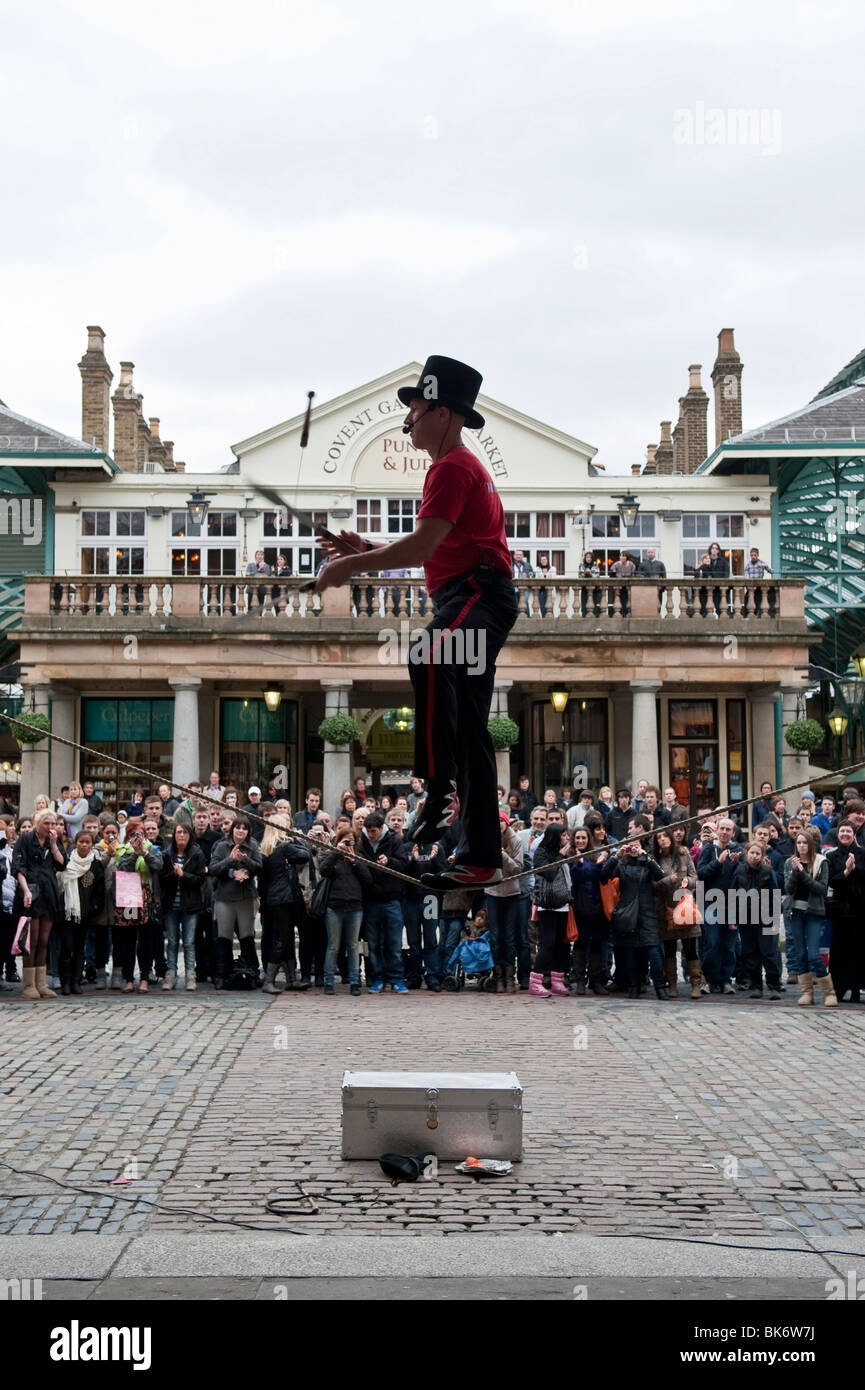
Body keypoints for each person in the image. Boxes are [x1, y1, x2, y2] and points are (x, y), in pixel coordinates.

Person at [318, 356, 518, 890]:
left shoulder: (452, 466)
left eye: (416, 410)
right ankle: (480, 855)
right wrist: (364, 548)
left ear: (444, 414)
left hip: (476, 594)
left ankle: (437, 787)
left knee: (427, 654)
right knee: (474, 729)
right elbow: (433, 545)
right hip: (473, 594)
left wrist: (349, 567)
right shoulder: (456, 468)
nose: (408, 420)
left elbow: (425, 543)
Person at [600, 817, 667, 999]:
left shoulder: (647, 860)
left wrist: (645, 856)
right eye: (630, 844)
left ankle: (660, 987)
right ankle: (634, 986)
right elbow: (604, 876)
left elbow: (660, 875)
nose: (633, 848)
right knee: (630, 953)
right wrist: (617, 856)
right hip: (627, 913)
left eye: (636, 844)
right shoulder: (621, 864)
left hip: (647, 912)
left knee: (653, 950)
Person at [12, 808, 68, 999]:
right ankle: (29, 984)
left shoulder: (54, 841)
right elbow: (18, 867)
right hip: (31, 891)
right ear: (38, 823)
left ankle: (41, 983)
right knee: (32, 939)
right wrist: (25, 890)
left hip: (49, 891)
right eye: (47, 823)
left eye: (53, 824)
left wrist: (53, 845)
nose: (51, 827)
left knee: (44, 940)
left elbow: (62, 864)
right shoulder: (26, 840)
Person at [356, 812, 411, 992]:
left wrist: (389, 861)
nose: (371, 835)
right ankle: (378, 978)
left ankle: (396, 979)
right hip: (371, 900)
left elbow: (404, 864)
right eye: (368, 831)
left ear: (381, 828)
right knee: (374, 943)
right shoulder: (361, 843)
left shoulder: (394, 840)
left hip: (392, 899)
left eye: (374, 831)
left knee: (394, 942)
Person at [258, 815, 313, 994]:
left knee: (286, 938)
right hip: (285, 898)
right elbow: (305, 855)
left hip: (275, 898)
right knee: (282, 939)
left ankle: (291, 979)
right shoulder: (284, 846)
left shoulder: (267, 849)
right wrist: (297, 838)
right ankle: (269, 980)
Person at [317, 826, 372, 995]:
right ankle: (329, 982)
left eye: (351, 840)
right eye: (345, 840)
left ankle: (355, 982)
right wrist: (336, 852)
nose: (349, 843)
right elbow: (323, 870)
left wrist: (354, 860)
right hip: (334, 907)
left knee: (353, 946)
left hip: (355, 908)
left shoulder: (359, 858)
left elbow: (368, 880)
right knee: (333, 946)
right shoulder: (331, 856)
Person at [209, 817, 263, 988]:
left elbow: (259, 867)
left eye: (244, 828)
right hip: (225, 897)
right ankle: (221, 974)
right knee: (223, 937)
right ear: (232, 830)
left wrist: (246, 863)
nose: (240, 831)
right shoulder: (221, 846)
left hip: (246, 897)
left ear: (248, 831)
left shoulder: (253, 845)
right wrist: (231, 863)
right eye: (237, 828)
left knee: (247, 936)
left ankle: (252, 971)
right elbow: (213, 869)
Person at [784, 828, 834, 1006]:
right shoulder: (790, 863)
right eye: (799, 843)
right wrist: (796, 873)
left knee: (813, 954)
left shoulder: (821, 862)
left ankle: (829, 993)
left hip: (813, 912)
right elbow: (789, 890)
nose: (802, 846)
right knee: (800, 953)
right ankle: (807, 993)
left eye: (805, 842)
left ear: (810, 844)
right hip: (795, 912)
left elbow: (821, 889)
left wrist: (803, 873)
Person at [696, 815, 742, 993]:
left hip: (731, 905)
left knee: (729, 945)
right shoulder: (708, 849)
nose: (724, 832)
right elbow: (701, 873)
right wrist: (718, 862)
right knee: (712, 942)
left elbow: (741, 879)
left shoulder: (738, 850)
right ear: (716, 830)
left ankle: (725, 980)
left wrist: (737, 865)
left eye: (728, 829)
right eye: (721, 828)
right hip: (710, 903)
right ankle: (709, 978)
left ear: (732, 833)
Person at [653, 827, 700, 1000]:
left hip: (685, 905)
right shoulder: (655, 859)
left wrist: (689, 881)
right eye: (659, 837)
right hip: (667, 908)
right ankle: (672, 983)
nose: (663, 839)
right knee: (670, 949)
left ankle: (696, 984)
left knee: (690, 948)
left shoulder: (683, 854)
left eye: (665, 835)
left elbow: (695, 877)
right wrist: (667, 880)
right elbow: (653, 886)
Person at [732, 841, 782, 999]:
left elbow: (775, 894)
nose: (754, 856)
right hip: (746, 917)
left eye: (757, 853)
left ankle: (774, 985)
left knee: (768, 951)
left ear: (762, 855)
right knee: (750, 952)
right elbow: (733, 895)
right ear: (746, 854)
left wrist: (774, 919)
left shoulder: (768, 871)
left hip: (765, 916)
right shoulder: (739, 871)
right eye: (751, 853)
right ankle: (756, 986)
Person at [57, 828, 105, 995]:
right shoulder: (67, 862)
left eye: (87, 842)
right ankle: (65, 982)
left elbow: (99, 890)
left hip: (85, 915)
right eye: (81, 842)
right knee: (67, 947)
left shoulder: (95, 864)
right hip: (67, 914)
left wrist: (93, 908)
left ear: (92, 845)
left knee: (79, 948)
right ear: (75, 843)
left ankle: (76, 981)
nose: (84, 845)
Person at [159, 823, 206, 991]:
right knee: (171, 942)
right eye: (178, 832)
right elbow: (161, 879)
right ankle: (170, 974)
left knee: (189, 942)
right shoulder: (166, 854)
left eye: (185, 832)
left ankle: (190, 975)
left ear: (189, 835)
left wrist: (183, 875)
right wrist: (173, 874)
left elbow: (200, 879)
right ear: (174, 834)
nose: (181, 835)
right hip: (171, 905)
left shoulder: (196, 854)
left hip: (190, 906)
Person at [483, 813, 525, 992]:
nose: (499, 824)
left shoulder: (515, 840)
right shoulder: (487, 839)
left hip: (511, 893)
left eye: (502, 821)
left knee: (509, 936)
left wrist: (503, 856)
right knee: (495, 936)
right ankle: (498, 975)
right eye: (496, 821)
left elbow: (517, 868)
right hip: (492, 892)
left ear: (507, 823)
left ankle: (509, 976)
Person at [529, 824, 572, 997]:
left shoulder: (565, 851)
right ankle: (536, 981)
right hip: (547, 904)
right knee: (548, 943)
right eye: (563, 836)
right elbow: (550, 874)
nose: (567, 838)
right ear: (555, 837)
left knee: (562, 944)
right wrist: (560, 856)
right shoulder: (541, 852)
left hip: (563, 903)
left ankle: (557, 980)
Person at [826, 821, 865, 1002]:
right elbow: (832, 880)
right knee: (839, 950)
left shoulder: (862, 853)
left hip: (859, 909)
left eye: (848, 831)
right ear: (838, 834)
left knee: (858, 949)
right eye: (842, 831)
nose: (845, 834)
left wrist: (855, 869)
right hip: (840, 910)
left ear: (853, 834)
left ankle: (857, 988)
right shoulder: (832, 856)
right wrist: (846, 872)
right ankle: (839, 988)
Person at [569, 826, 609, 994]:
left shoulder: (594, 856)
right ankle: (579, 980)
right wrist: (579, 864)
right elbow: (573, 877)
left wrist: (600, 864)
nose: (580, 841)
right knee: (580, 944)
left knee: (597, 945)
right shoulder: (571, 856)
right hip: (579, 907)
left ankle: (597, 981)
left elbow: (603, 877)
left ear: (588, 839)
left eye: (583, 838)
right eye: (577, 838)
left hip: (597, 907)